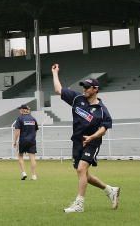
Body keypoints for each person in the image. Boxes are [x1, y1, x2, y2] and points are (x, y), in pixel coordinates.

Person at [52, 63, 120, 213]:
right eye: (83, 87)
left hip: (92, 142)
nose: (84, 89)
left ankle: (79, 204)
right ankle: (110, 190)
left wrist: (92, 137)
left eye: (87, 87)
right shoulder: (78, 99)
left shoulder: (102, 110)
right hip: (77, 141)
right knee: (83, 173)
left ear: (95, 89)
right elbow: (58, 90)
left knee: (82, 169)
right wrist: (55, 72)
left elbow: (104, 128)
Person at [13, 104, 39, 180]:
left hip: (23, 140)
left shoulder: (20, 118)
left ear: (22, 110)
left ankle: (23, 173)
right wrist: (33, 138)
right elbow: (36, 130)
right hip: (32, 140)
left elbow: (17, 131)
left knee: (20, 156)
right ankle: (34, 175)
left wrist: (15, 141)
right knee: (32, 158)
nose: (19, 110)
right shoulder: (33, 119)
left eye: (20, 109)